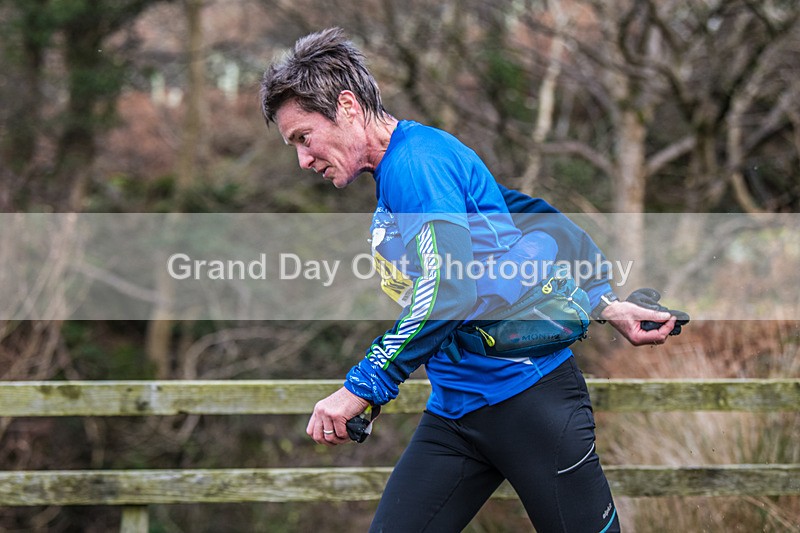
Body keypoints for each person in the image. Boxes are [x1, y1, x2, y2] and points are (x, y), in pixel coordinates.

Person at [260, 27, 679, 532]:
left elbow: (448, 290)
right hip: (456, 414)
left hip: (531, 404)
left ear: (346, 106)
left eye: (303, 138)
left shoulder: (418, 165)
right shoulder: (408, 165)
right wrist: (605, 302)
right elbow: (528, 214)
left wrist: (363, 386)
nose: (304, 159)